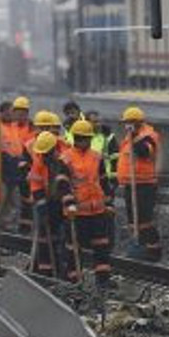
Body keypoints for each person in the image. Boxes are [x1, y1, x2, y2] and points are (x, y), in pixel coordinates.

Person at [55, 120, 113, 289]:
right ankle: (75, 281)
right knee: (74, 249)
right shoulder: (66, 158)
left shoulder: (96, 156)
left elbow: (104, 182)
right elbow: (62, 183)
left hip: (97, 211)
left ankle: (103, 281)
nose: (84, 142)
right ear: (75, 138)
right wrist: (69, 203)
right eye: (81, 138)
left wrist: (109, 204)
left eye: (87, 138)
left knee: (102, 246)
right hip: (77, 213)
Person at [118, 106, 163, 260]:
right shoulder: (128, 137)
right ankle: (139, 246)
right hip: (131, 183)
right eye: (126, 123)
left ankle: (152, 250)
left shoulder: (149, 135)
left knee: (144, 219)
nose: (127, 126)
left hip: (144, 184)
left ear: (138, 122)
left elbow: (145, 152)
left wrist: (134, 136)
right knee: (133, 220)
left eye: (130, 123)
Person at [26, 130, 65, 278]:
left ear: (55, 149)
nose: (44, 157)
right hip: (48, 200)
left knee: (63, 237)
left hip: (65, 201)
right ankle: (44, 269)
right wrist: (41, 204)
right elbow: (36, 183)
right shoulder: (40, 160)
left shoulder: (66, 158)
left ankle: (62, 269)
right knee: (44, 235)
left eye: (47, 154)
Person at [86, 109, 120, 250]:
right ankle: (90, 242)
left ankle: (108, 244)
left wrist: (113, 182)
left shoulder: (108, 138)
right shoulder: (83, 137)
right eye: (94, 121)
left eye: (99, 121)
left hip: (105, 182)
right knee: (90, 213)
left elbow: (115, 160)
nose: (98, 124)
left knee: (107, 213)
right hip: (88, 183)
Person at [0, 96, 34, 231]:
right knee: (3, 200)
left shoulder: (20, 127)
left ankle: (11, 227)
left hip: (19, 168)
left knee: (15, 201)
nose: (17, 114)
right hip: (4, 167)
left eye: (22, 112)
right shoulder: (0, 127)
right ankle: (1, 228)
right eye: (14, 111)